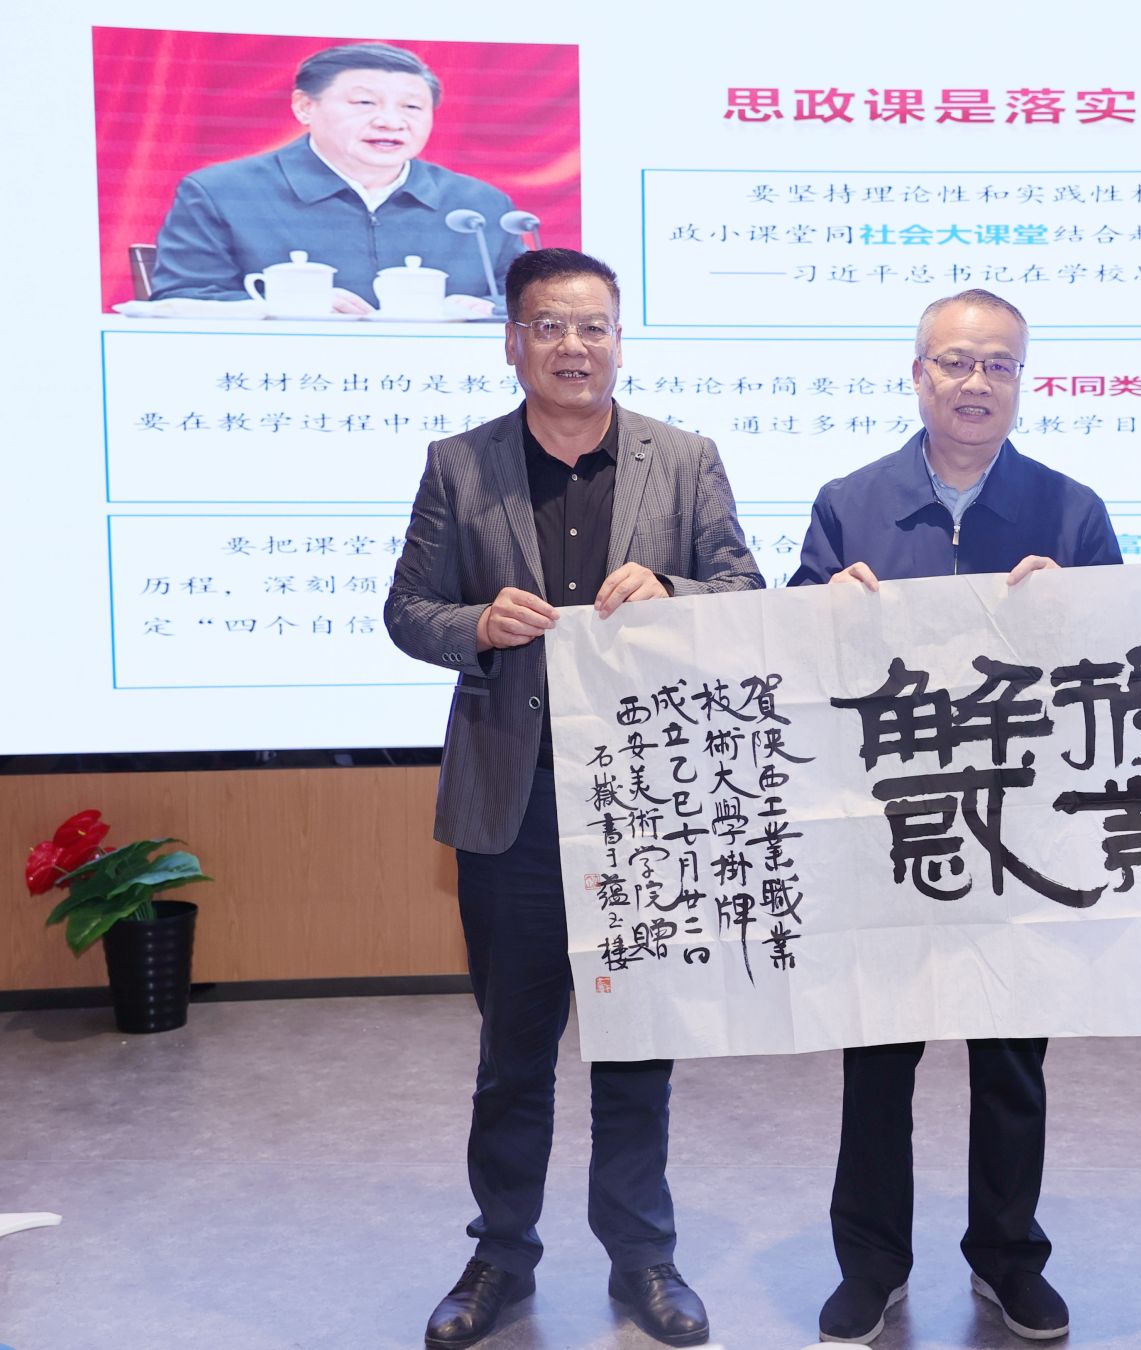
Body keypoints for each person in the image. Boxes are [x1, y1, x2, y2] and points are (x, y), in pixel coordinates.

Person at [385, 247, 761, 1349]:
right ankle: (499, 1255)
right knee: (514, 1055)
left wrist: (674, 591)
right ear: (513, 341)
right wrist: (475, 625)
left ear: (618, 341)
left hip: (644, 806)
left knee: (638, 1049)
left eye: (593, 326)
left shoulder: (682, 460)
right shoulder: (459, 465)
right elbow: (407, 610)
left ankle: (644, 1258)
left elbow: (745, 592)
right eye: (549, 326)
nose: (573, 346)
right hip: (516, 804)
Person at [788, 288, 1121, 1345]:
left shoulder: (1069, 510)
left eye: (999, 365)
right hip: (888, 827)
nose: (976, 383)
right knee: (877, 1058)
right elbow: (788, 653)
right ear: (918, 373)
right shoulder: (849, 502)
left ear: (1022, 381)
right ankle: (870, 1264)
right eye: (955, 362)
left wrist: (1074, 609)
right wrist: (824, 610)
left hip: (1023, 832)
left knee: (1012, 1059)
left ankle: (1007, 1258)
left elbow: (1122, 668)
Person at [148, 41, 521, 310]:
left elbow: (531, 302)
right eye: (364, 103)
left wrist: (484, 310)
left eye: (412, 106)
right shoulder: (223, 193)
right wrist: (291, 307)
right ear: (304, 107)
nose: (391, 121)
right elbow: (181, 299)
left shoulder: (480, 206)